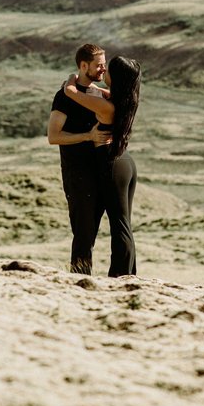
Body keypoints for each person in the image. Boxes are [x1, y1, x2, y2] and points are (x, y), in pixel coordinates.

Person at [62, 55, 141, 277]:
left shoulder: (107, 107)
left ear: (115, 77)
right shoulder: (125, 99)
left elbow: (71, 92)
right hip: (125, 162)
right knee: (123, 223)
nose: (104, 71)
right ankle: (127, 273)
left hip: (110, 164)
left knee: (119, 225)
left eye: (108, 70)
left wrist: (73, 77)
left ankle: (120, 275)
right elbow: (99, 91)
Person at [48, 44, 111, 275]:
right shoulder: (64, 97)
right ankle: (80, 280)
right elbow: (53, 136)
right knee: (83, 232)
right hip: (77, 172)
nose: (103, 68)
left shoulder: (96, 92)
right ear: (83, 66)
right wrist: (88, 136)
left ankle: (84, 276)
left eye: (104, 64)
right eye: (99, 65)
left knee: (91, 231)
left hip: (99, 171)